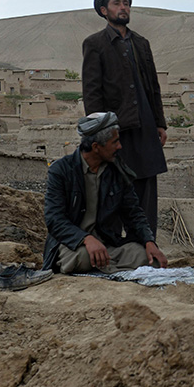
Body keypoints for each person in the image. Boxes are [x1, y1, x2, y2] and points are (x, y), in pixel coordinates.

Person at [82, 0, 168, 237]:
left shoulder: (141, 43)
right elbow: (92, 91)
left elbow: (153, 86)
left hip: (145, 128)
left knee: (146, 188)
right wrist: (99, 131)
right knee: (114, 187)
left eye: (126, 3)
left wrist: (160, 123)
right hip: (115, 131)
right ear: (103, 10)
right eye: (117, 3)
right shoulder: (95, 44)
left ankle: (146, 247)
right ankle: (114, 250)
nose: (123, 8)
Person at [41, 112, 168, 274]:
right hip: (73, 245)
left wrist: (149, 241)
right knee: (85, 257)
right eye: (114, 142)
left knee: (144, 257)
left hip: (108, 246)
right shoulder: (61, 171)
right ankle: (109, 267)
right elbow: (54, 220)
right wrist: (85, 239)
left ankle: (107, 266)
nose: (119, 146)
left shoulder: (117, 172)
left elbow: (134, 213)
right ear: (96, 147)